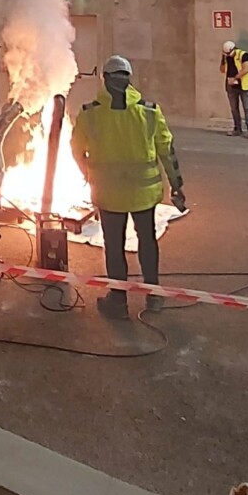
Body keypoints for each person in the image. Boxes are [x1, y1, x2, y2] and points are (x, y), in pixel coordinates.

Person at [71, 55, 186, 320]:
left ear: (105, 79)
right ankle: (153, 294)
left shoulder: (91, 114)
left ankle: (118, 300)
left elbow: (77, 149)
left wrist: (88, 174)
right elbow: (167, 151)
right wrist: (177, 186)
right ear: (129, 78)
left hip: (109, 195)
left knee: (114, 246)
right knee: (147, 242)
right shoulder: (149, 111)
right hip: (144, 195)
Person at [221, 40, 248, 141]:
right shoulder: (226, 57)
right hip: (232, 87)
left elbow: (246, 69)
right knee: (234, 109)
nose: (228, 55)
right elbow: (222, 70)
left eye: (228, 53)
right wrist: (223, 59)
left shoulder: (243, 55)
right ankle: (237, 129)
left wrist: (235, 78)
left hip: (244, 86)